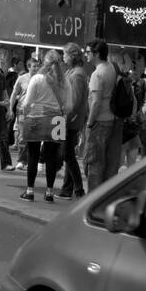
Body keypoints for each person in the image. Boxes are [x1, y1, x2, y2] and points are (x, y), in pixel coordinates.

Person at [17, 50, 67, 203]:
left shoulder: (37, 78)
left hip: (36, 117)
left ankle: (30, 191)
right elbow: (68, 104)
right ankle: (50, 192)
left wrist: (22, 114)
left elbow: (27, 102)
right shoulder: (63, 80)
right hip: (57, 119)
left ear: (45, 62)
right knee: (52, 157)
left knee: (33, 154)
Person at [83, 39, 124, 192]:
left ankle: (92, 200)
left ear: (97, 54)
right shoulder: (112, 68)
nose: (86, 55)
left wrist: (89, 124)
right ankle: (106, 197)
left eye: (88, 52)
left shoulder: (97, 74)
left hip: (99, 122)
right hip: (113, 120)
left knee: (94, 163)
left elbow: (95, 103)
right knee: (110, 163)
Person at [57, 43, 89, 198]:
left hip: (71, 120)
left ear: (71, 56)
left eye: (65, 54)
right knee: (68, 153)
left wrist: (64, 119)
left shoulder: (77, 75)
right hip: (71, 119)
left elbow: (75, 102)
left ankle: (78, 189)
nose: (63, 57)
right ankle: (67, 189)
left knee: (67, 154)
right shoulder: (73, 72)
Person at [10, 56, 38, 170]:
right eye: (34, 66)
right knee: (23, 136)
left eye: (38, 66)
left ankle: (30, 160)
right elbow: (14, 93)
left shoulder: (41, 79)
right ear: (28, 67)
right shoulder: (22, 78)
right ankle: (21, 160)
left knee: (33, 136)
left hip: (36, 111)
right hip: (22, 110)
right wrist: (10, 109)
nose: (36, 68)